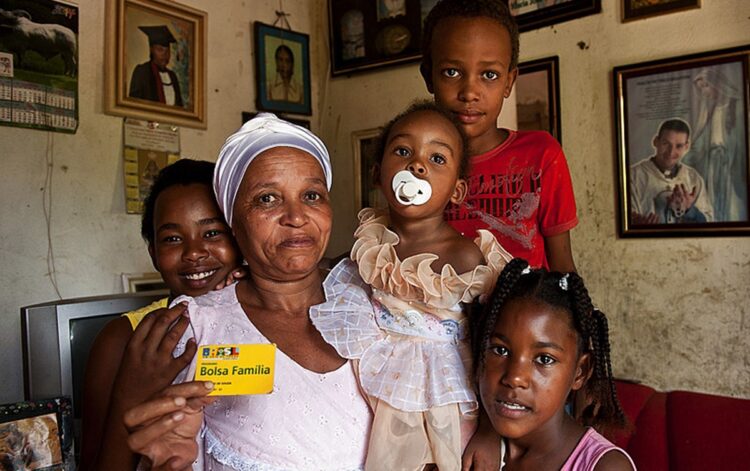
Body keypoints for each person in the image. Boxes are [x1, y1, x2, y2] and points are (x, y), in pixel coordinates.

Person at [121, 114, 505, 471]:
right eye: (267, 198)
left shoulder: (379, 293)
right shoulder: (194, 327)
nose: (296, 216)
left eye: (312, 195)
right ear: (232, 219)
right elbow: (161, 445)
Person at [310, 101, 511, 470]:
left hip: (447, 404)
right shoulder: (371, 246)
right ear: (377, 173)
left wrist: (490, 429)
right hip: (383, 394)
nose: (416, 165)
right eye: (403, 151)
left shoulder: (465, 257)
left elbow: (494, 346)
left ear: (457, 191)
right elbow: (331, 273)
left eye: (437, 159)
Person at [80, 160, 243, 470]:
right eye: (172, 238)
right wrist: (130, 394)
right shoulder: (123, 339)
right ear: (153, 252)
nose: (194, 252)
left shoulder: (266, 316)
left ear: (240, 237)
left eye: (212, 233)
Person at [420, 0, 578, 272]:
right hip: (436, 311)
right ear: (429, 76)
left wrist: (581, 313)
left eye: (489, 74)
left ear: (509, 82)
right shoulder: (416, 160)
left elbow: (562, 267)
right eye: (452, 72)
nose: (469, 92)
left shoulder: (541, 156)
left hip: (524, 311)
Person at [474, 258, 636, 470]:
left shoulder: (604, 467)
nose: (515, 378)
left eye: (544, 359)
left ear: (580, 372)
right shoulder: (462, 445)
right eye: (500, 350)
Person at [687, 66, 747, 222]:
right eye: (701, 89)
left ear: (717, 83)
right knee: (714, 204)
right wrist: (682, 160)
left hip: (732, 164)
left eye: (706, 86)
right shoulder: (708, 111)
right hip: (713, 166)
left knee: (734, 205)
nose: (704, 92)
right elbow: (700, 144)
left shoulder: (739, 106)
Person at [630, 118, 713, 224]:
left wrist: (690, 210)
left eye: (679, 146)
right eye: (666, 143)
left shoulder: (693, 179)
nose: (671, 152)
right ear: (656, 142)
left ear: (686, 147)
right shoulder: (633, 177)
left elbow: (708, 222)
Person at [129, 25, 184, 107]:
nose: (164, 55)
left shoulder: (172, 76)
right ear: (151, 50)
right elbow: (133, 104)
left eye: (167, 51)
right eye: (160, 50)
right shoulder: (142, 71)